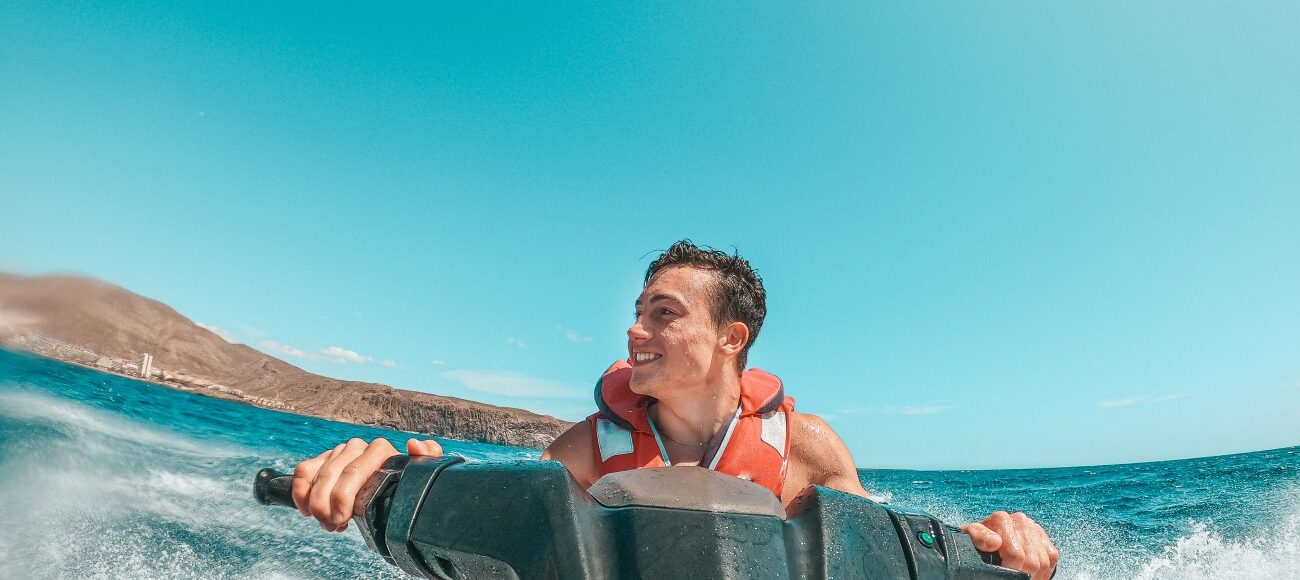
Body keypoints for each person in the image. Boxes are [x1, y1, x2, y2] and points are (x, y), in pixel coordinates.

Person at [291, 240, 1060, 579]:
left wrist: (1004, 554)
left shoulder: (808, 447)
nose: (636, 331)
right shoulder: (589, 446)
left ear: (731, 338)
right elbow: (502, 529)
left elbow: (876, 557)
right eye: (638, 313)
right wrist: (410, 485)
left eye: (663, 314)